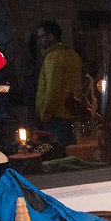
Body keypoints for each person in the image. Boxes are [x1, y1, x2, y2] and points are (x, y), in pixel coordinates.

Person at [35, 19, 83, 149]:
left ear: (50, 37)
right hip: (72, 113)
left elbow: (53, 91)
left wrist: (44, 115)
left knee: (58, 154)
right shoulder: (72, 55)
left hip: (56, 116)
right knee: (73, 152)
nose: (38, 41)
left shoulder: (53, 58)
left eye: (40, 37)